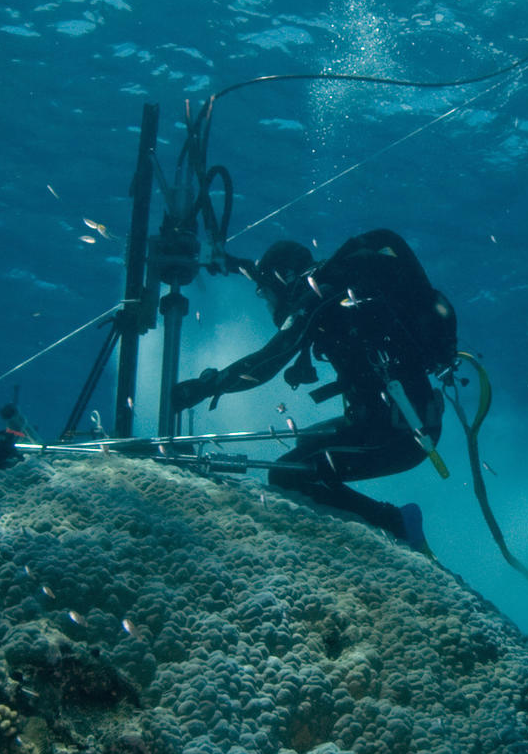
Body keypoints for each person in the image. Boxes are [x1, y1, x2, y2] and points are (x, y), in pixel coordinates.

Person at [171, 230, 457, 547]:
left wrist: (207, 387)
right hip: (397, 421)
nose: (267, 304)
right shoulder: (331, 286)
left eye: (265, 294)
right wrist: (230, 263)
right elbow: (263, 275)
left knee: (287, 475)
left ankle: (397, 524)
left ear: (285, 277)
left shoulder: (316, 298)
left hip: (402, 435)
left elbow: (271, 358)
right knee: (306, 443)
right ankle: (387, 524)